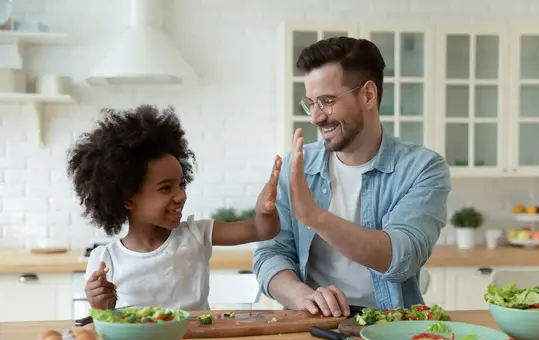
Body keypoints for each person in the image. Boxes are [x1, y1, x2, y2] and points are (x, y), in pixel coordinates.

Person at [253, 36, 451, 318]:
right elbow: (270, 254)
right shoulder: (298, 166)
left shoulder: (422, 168)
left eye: (327, 101)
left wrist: (315, 216)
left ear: (368, 95)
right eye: (311, 103)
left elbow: (403, 257)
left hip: (389, 325)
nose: (316, 118)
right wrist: (303, 296)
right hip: (310, 324)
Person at [67, 105, 281, 311]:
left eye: (181, 184)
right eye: (166, 188)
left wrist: (265, 211)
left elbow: (262, 231)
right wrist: (100, 306)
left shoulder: (197, 235)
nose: (181, 195)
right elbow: (103, 323)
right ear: (128, 198)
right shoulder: (105, 260)